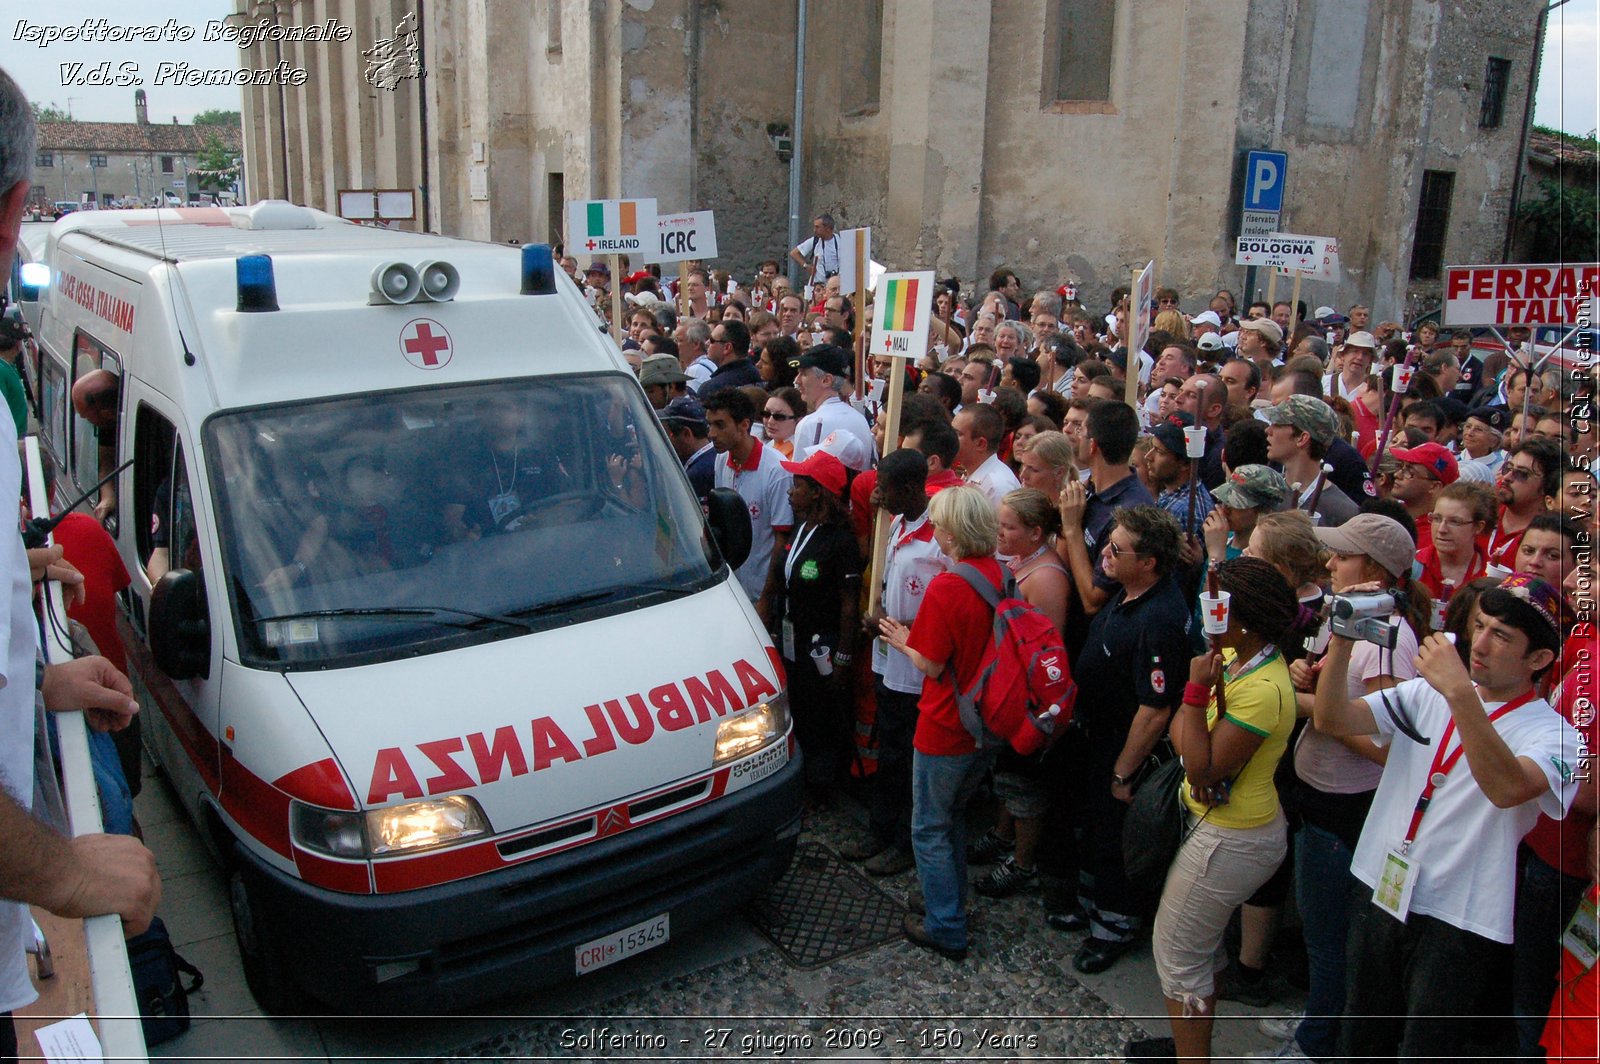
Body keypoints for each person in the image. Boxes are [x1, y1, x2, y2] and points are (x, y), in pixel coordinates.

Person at [1314, 574, 1582, 1061]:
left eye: (1501, 636)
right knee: (1359, 1038)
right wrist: (1342, 641)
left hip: (1459, 915)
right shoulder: (1426, 694)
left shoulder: (1558, 736)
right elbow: (1332, 720)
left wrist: (1460, 693)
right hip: (1379, 882)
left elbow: (1506, 789)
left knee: (1427, 1050)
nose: (1479, 644)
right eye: (1479, 626)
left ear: (1539, 660)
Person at [1264, 515, 1428, 1060]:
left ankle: (1317, 1043)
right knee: (1322, 934)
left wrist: (1312, 705)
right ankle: (1318, 1019)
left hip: (1345, 811)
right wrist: (1305, 674)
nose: (1330, 565)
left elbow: (1390, 741)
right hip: (1322, 799)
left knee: (1331, 939)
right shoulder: (1354, 618)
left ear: (1376, 570)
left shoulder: (1387, 635)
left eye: (1342, 556)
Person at [1154, 557, 1302, 1063]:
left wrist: (1195, 697)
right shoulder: (1238, 662)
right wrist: (1193, 717)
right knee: (1202, 948)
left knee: (1178, 958)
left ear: (1247, 620)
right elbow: (1182, 737)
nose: (1210, 619)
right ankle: (1190, 1044)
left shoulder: (1261, 690)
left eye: (1220, 610)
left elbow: (1198, 766)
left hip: (1230, 837)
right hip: (1221, 827)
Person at [877, 486, 1006, 961]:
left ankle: (946, 924)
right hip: (988, 719)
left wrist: (902, 638)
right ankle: (947, 900)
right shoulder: (999, 572)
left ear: (950, 533)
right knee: (952, 817)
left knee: (929, 826)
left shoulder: (948, 586)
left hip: (947, 723)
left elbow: (930, 664)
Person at [970, 489, 1070, 899]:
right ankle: (1001, 833)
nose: (999, 532)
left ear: (1035, 532)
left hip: (1029, 705)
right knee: (1007, 778)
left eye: (1007, 526)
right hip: (1008, 696)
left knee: (1025, 784)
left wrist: (1027, 713)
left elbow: (1047, 652)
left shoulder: (1045, 578)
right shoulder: (1021, 561)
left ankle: (1023, 863)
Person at [851, 450, 947, 876]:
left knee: (908, 758)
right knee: (888, 750)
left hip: (916, 669)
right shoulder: (896, 525)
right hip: (888, 662)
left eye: (884, 486)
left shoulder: (937, 540)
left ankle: (906, 842)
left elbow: (942, 610)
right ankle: (879, 829)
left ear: (908, 488)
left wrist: (892, 624)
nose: (877, 494)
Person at [773, 449, 861, 788]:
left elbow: (849, 604)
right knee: (800, 709)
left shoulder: (841, 541)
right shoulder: (801, 526)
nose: (790, 492)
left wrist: (842, 656)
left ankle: (823, 787)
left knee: (822, 714)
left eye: (797, 485)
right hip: (792, 638)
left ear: (817, 491)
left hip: (821, 646)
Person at [704, 389, 794, 611]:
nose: (711, 433)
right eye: (710, 424)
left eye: (720, 425)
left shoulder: (777, 470)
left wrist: (766, 599)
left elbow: (781, 540)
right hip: (731, 590)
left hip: (760, 595)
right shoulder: (721, 460)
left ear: (744, 425)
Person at [1261, 395, 1361, 527]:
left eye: (1278, 424)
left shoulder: (1343, 512)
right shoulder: (1264, 491)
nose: (1268, 430)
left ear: (1302, 438)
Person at [791, 346, 874, 470]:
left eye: (803, 374)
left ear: (826, 380)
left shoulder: (809, 424)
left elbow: (798, 477)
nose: (796, 380)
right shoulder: (860, 419)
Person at [1489, 437, 1562, 572]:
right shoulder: (1481, 513)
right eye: (1507, 468)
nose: (1507, 477)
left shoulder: (1551, 538)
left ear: (1547, 486)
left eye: (1522, 474)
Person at [952, 404, 1020, 507]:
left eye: (957, 434)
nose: (949, 437)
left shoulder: (997, 487)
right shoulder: (971, 471)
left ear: (980, 444)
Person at [789, 213, 842, 285]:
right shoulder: (815, 241)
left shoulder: (841, 241)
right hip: (818, 285)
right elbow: (794, 253)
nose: (814, 230)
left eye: (817, 227)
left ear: (828, 228)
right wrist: (806, 266)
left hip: (835, 285)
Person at [761, 388, 807, 459]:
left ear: (799, 420)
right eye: (766, 414)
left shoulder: (801, 455)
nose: (770, 421)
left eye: (779, 416)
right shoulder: (767, 446)